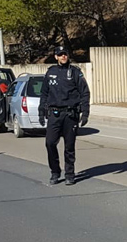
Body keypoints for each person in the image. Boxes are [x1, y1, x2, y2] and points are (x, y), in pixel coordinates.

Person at [39, 46, 91, 186]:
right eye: (60, 54)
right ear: (56, 57)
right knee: (50, 143)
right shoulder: (51, 72)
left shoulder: (75, 72)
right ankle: (55, 172)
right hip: (54, 114)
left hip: (70, 114)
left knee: (69, 147)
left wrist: (85, 112)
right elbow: (44, 93)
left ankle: (69, 174)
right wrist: (41, 111)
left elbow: (85, 93)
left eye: (65, 54)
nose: (63, 56)